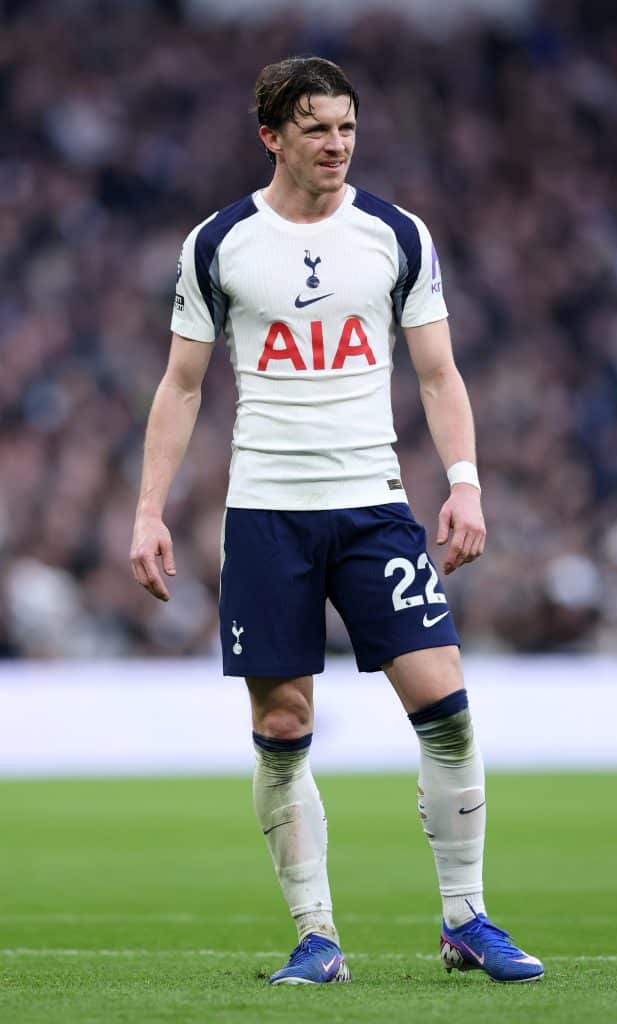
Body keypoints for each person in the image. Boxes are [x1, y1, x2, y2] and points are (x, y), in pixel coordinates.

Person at [130, 56, 543, 986]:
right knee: (283, 723)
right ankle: (317, 937)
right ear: (271, 136)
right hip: (268, 514)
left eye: (347, 126)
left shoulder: (395, 235)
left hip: (373, 508)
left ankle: (464, 917)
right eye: (316, 128)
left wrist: (466, 481)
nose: (336, 144)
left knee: (443, 704)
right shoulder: (220, 243)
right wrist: (149, 511)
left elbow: (437, 373)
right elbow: (181, 385)